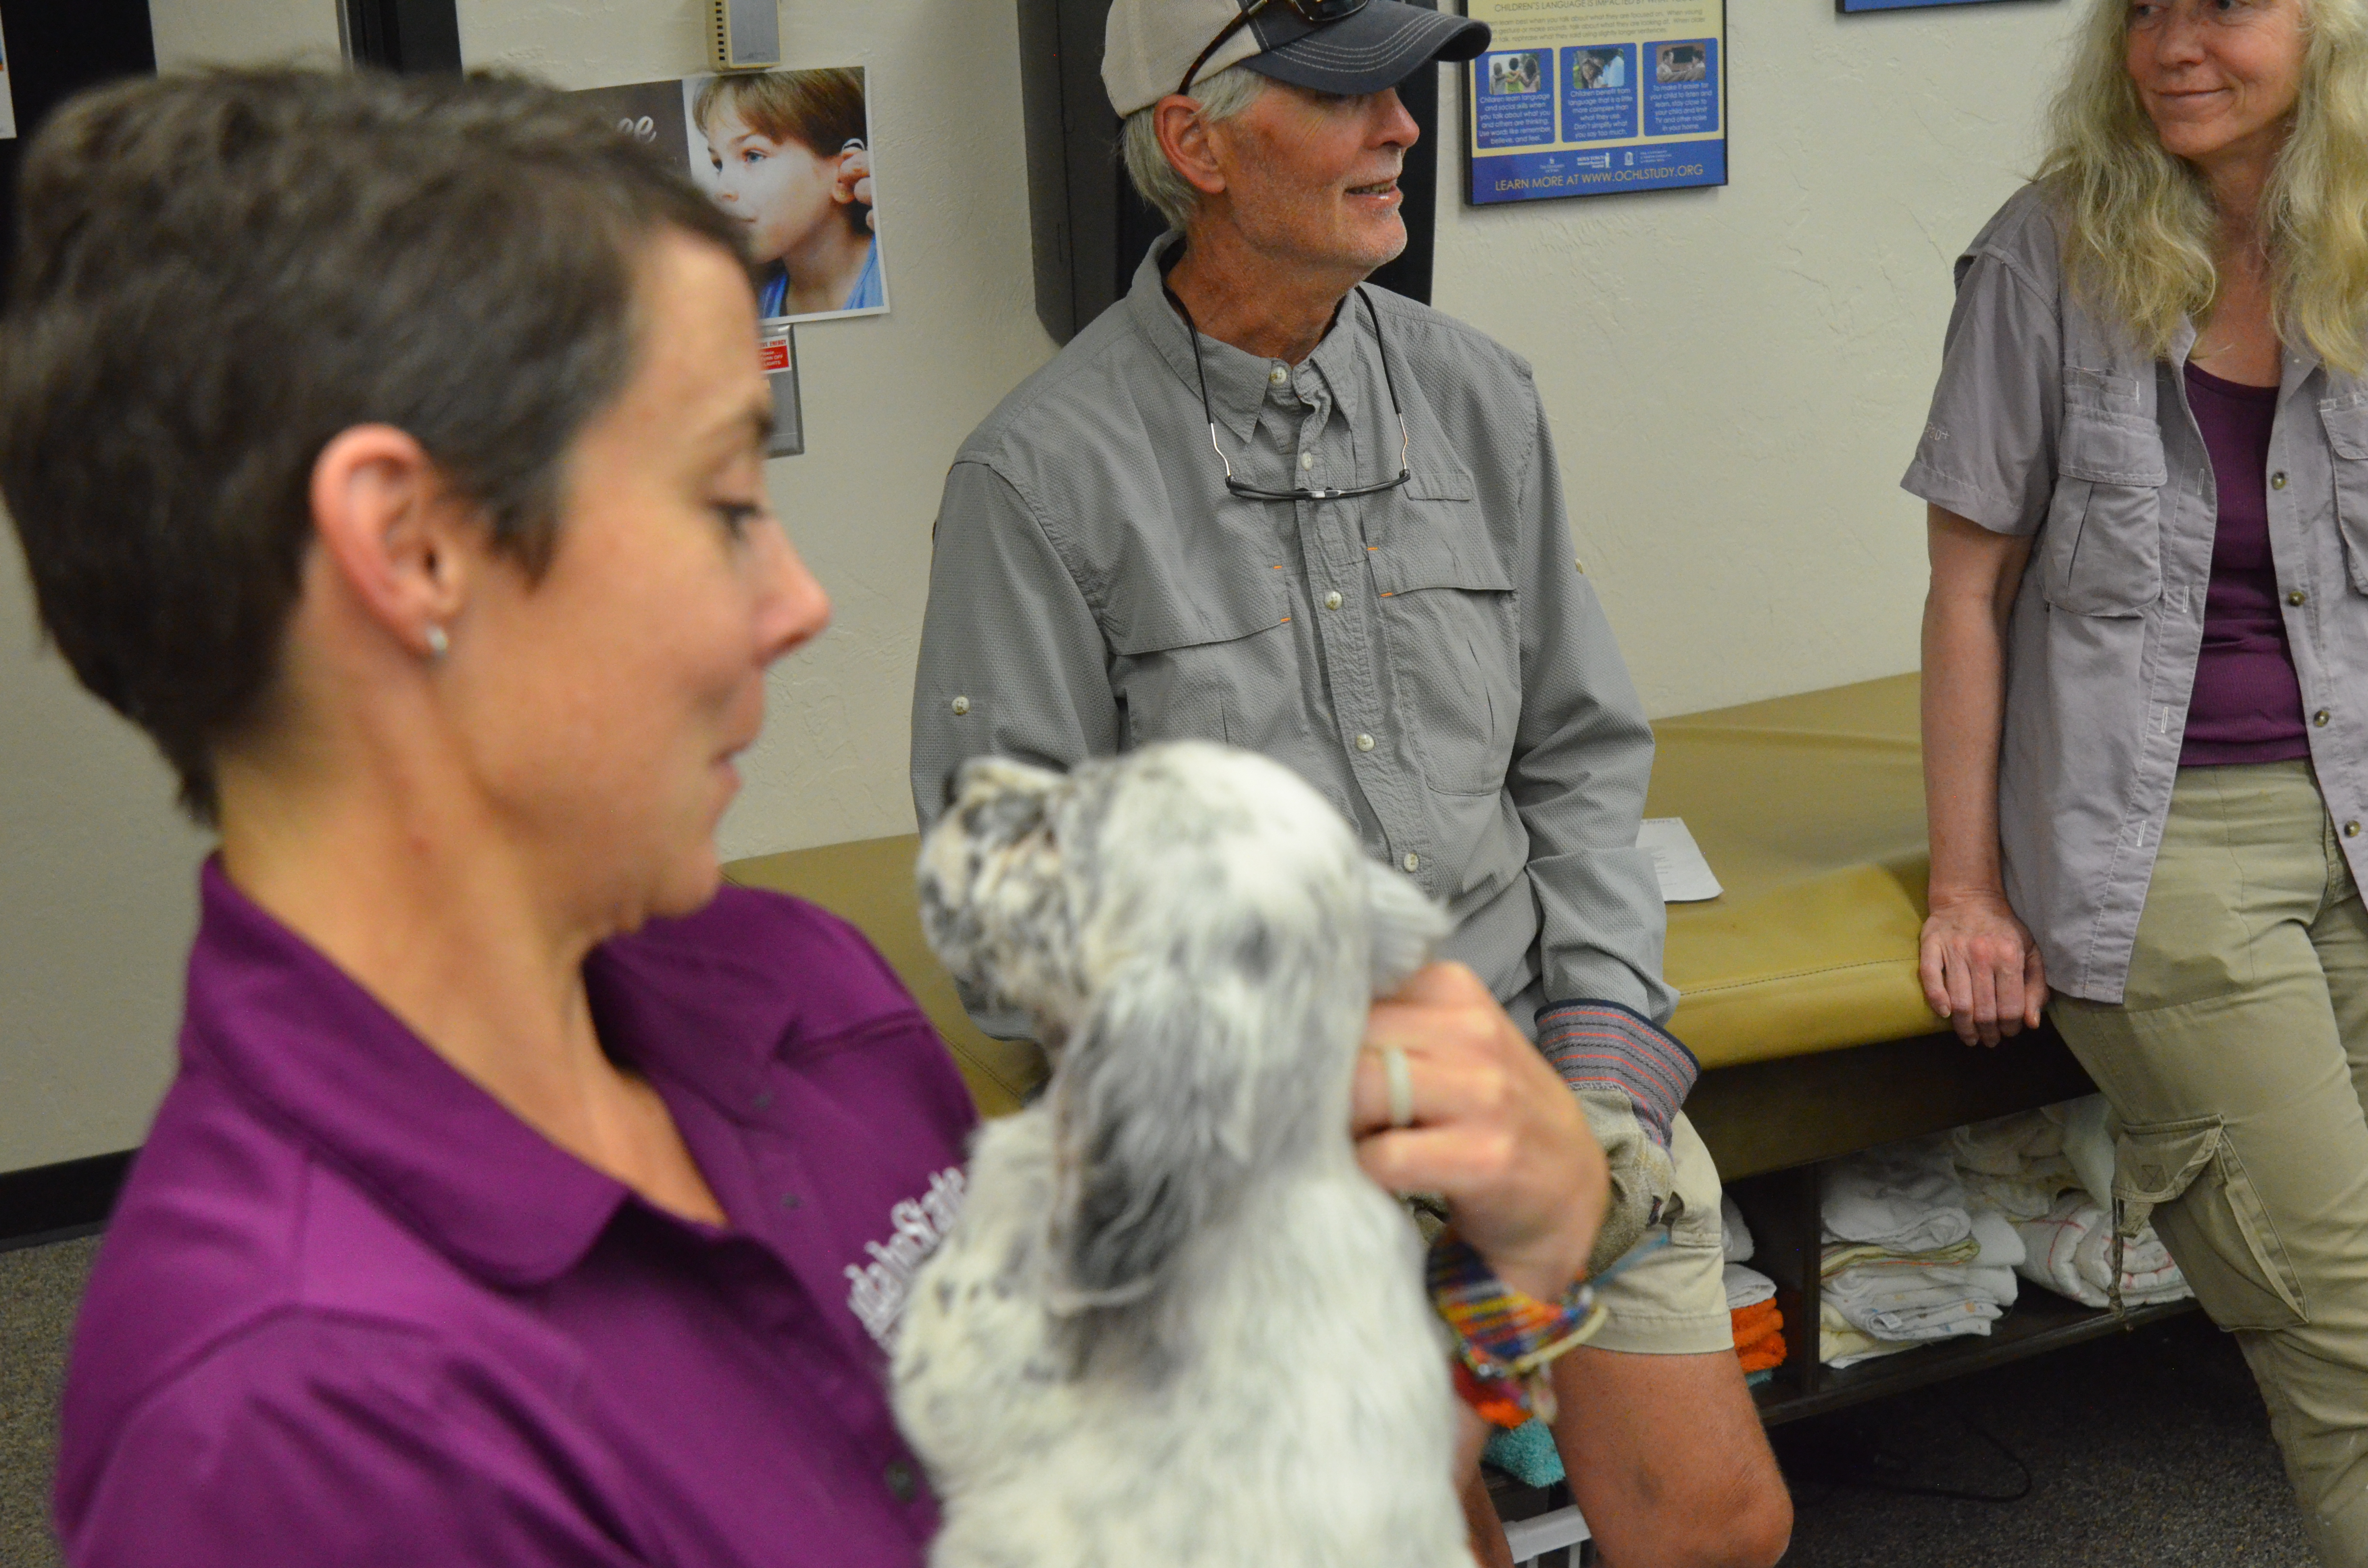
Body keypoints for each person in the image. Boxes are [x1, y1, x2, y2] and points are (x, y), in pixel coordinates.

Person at [4, 66, 1606, 1568]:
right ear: (410, 552)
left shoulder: (802, 1001)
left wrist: (1507, 1290)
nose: (796, 602)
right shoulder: (292, 1429)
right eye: (722, 502)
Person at [908, 3, 1794, 1565]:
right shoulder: (1036, 475)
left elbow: (1578, 756)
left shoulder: (1479, 395)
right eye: (1344, 99)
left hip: (1534, 1060)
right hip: (1261, 1137)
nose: (1401, 128)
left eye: (1401, 89)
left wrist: (1594, 1068)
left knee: (1718, 1527)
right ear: (1194, 144)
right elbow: (1010, 907)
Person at [1908, 0, 2368, 1555]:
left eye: (2222, 4)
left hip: (2357, 810)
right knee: (2344, 1324)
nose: (2174, 43)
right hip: (2159, 843)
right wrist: (1967, 886)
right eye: (2144, 10)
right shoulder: (2039, 258)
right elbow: (1965, 594)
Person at [693, 68, 882, 318]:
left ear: (844, 173)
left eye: (753, 156)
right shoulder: (746, 307)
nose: (722, 191)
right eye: (719, 164)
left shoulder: (900, 275)